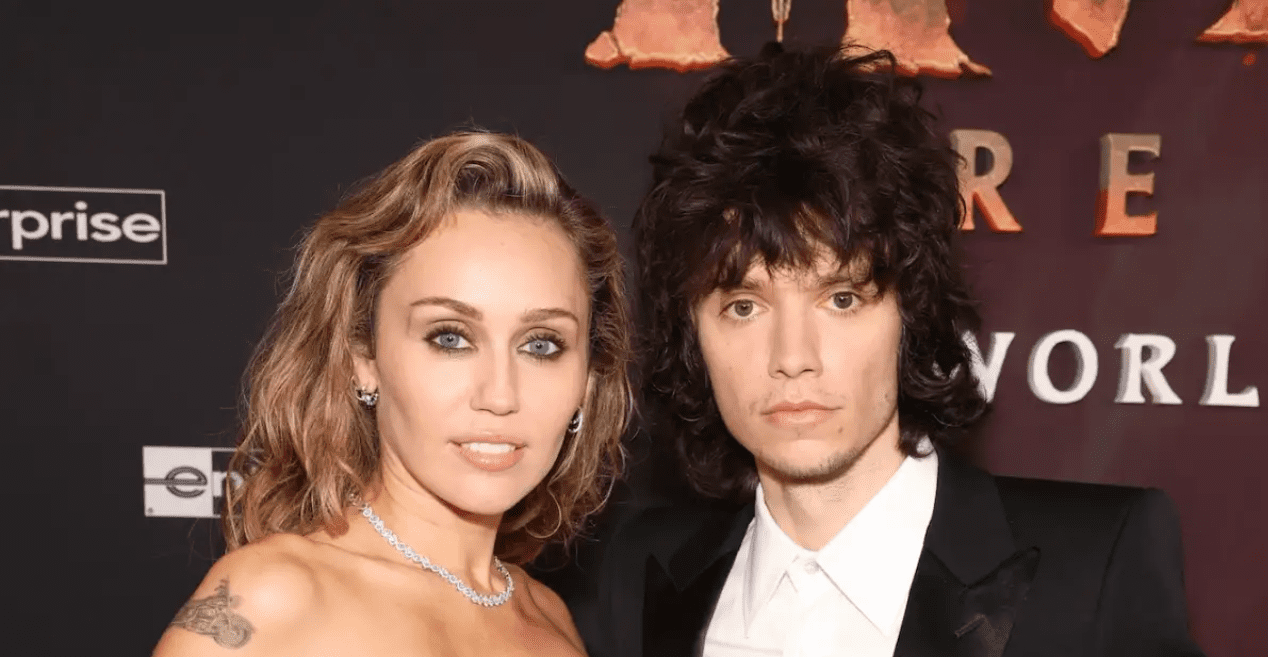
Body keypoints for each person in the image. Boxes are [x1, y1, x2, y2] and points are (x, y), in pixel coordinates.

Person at [560, 45, 1204, 657]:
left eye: (840, 298)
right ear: (693, 336)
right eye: (744, 307)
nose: (793, 356)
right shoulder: (628, 580)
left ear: (911, 315)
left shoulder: (1093, 571)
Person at [152, 130, 632, 656]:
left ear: (587, 380)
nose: (500, 395)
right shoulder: (273, 598)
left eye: (541, 345)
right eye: (450, 338)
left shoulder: (550, 620)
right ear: (364, 358)